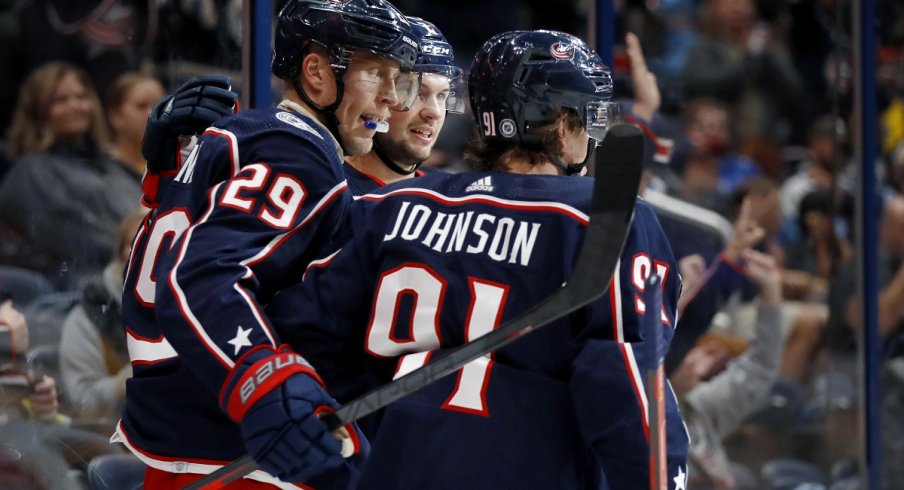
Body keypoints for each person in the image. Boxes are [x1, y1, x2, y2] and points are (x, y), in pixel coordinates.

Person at [268, 29, 689, 489]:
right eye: (589, 121)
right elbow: (623, 383)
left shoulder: (394, 205)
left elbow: (304, 338)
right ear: (565, 126)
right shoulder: (604, 218)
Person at [116, 0, 421, 487]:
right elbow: (203, 275)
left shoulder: (246, 134)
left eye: (397, 79)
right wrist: (265, 384)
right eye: (377, 75)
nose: (393, 99)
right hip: (246, 449)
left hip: (180, 430)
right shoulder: (297, 151)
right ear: (317, 72)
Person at [0, 62, 141, 288]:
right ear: (38, 110)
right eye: (60, 100)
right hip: (86, 286)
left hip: (146, 264)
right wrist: (147, 247)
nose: (75, 106)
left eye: (81, 96)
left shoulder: (112, 166)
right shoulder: (31, 173)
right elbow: (78, 240)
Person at [670, 249, 783, 489]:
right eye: (683, 352)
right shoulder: (637, 424)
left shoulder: (698, 407)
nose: (692, 360)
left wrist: (771, 294)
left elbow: (758, 369)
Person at [343, 16, 465, 195]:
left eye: (441, 96)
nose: (435, 113)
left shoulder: (452, 194)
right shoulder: (331, 192)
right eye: (416, 93)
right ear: (381, 95)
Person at [58, 208, 145, 424]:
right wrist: (125, 382)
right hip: (120, 436)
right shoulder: (88, 317)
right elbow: (81, 400)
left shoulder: (195, 307)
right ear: (123, 253)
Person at [105, 72, 166, 179]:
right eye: (141, 106)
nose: (152, 114)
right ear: (116, 115)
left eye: (160, 106)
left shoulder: (181, 166)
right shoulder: (103, 170)